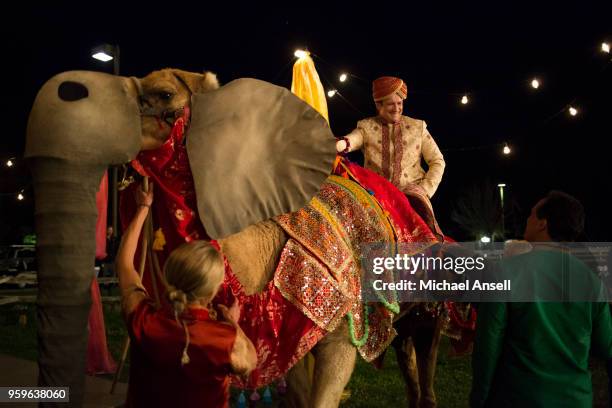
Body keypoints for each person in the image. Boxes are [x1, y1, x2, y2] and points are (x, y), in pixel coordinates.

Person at [116, 183, 257, 408]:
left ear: (169, 273)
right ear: (213, 289)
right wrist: (231, 322)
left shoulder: (144, 320)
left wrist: (143, 207)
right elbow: (250, 360)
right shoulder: (225, 339)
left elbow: (124, 264)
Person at [470, 191, 612, 407]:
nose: (527, 219)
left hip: (519, 398)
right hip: (575, 399)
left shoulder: (504, 272)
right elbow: (605, 346)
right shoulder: (592, 282)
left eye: (531, 215)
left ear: (542, 224)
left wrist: (479, 398)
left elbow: (487, 345)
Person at [335, 76, 445, 198]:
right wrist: (343, 143)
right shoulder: (367, 127)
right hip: (375, 197)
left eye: (399, 103)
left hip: (412, 199)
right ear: (378, 105)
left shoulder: (417, 127)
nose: (397, 109)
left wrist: (424, 189)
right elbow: (354, 138)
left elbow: (437, 161)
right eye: (391, 104)